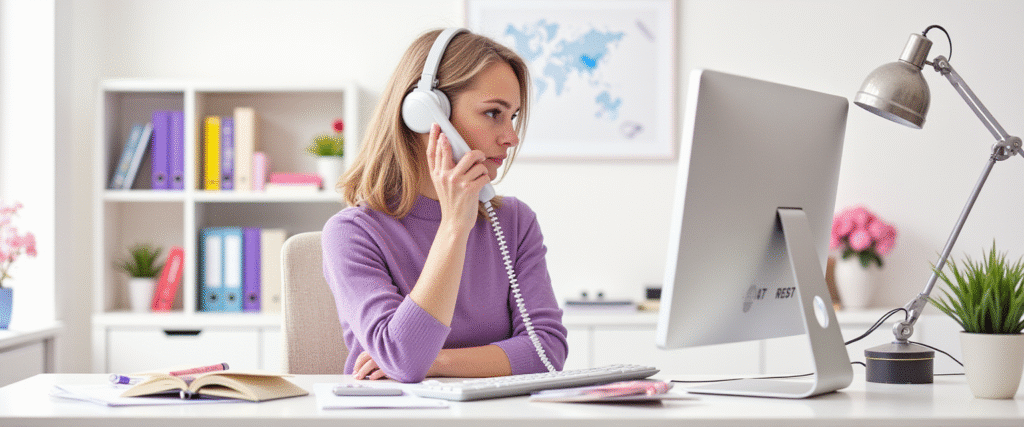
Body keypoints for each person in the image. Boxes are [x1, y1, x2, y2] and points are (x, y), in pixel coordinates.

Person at [321, 28, 568, 383]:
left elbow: (547, 350)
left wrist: (436, 362)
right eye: (493, 113)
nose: (511, 137)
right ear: (425, 113)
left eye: (512, 116)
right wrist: (454, 225)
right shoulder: (353, 233)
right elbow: (403, 357)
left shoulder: (515, 222)